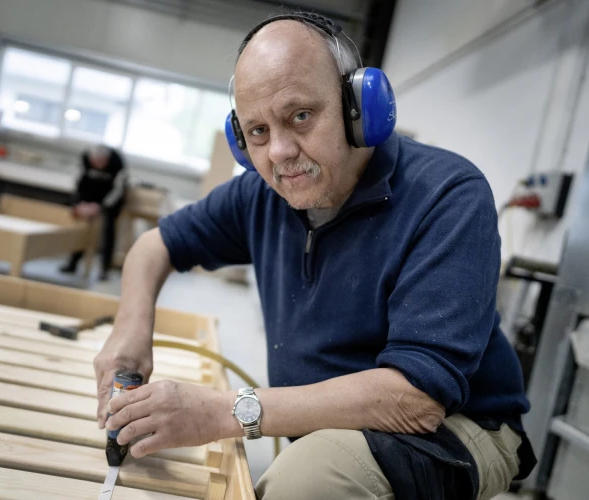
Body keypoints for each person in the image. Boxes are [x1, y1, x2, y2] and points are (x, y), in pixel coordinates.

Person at [93, 12, 536, 500]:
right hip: (336, 423)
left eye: (300, 116)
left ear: (358, 107)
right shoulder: (262, 194)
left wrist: (223, 412)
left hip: (456, 427)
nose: (280, 151)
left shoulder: (447, 196)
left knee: (304, 482)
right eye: (257, 131)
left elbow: (416, 399)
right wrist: (129, 334)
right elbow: (153, 246)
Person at [60, 145, 127, 281]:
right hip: (89, 197)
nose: (98, 166)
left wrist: (101, 207)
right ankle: (73, 263)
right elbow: (77, 183)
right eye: (95, 163)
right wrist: (80, 203)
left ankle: (104, 269)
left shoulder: (117, 162)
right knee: (82, 228)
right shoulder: (84, 159)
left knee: (108, 230)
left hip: (109, 200)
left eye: (102, 163)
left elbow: (118, 190)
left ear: (107, 160)